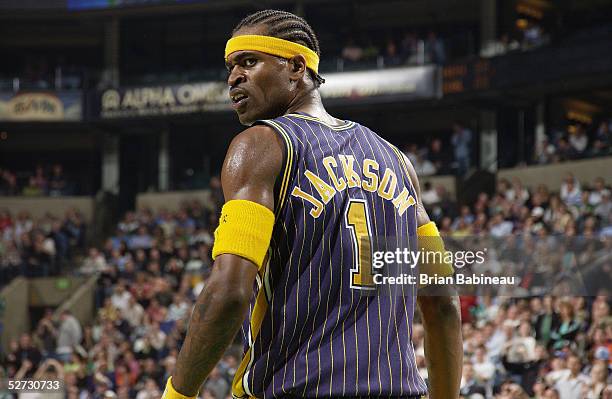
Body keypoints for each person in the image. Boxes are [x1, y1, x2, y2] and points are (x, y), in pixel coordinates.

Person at [164, 9, 461, 399]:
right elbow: (443, 304)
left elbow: (229, 291)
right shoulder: (397, 161)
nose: (233, 77)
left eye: (249, 62)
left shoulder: (259, 146)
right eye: (231, 67)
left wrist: (177, 394)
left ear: (296, 67)